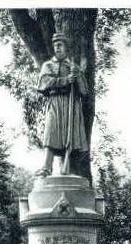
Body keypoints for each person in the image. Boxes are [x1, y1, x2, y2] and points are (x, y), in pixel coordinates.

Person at [36, 32, 88, 177]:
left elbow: (84, 91)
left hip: (71, 105)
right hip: (55, 102)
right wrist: (65, 80)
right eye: (55, 45)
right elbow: (44, 84)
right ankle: (46, 167)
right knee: (51, 133)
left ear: (66, 48)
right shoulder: (48, 66)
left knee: (70, 136)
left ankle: (69, 169)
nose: (57, 48)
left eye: (60, 45)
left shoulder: (73, 67)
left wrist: (77, 77)